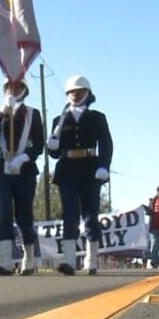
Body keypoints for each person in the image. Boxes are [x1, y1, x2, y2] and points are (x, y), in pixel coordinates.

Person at [46, 75, 113, 276]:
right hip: (67, 170)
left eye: (79, 91)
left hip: (90, 169)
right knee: (70, 214)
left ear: (88, 94)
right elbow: (55, 153)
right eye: (71, 92)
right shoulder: (59, 120)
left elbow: (106, 144)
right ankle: (68, 260)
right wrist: (52, 148)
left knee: (90, 214)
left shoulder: (97, 118)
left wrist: (104, 166)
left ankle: (91, 260)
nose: (75, 95)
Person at [0, 78, 44, 276]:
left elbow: (39, 145)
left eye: (17, 87)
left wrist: (24, 158)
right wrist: (2, 111)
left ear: (24, 90)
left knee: (24, 214)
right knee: (4, 212)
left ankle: (29, 259)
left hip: (24, 169)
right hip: (2, 168)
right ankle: (6, 261)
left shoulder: (32, 114)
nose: (13, 90)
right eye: (9, 87)